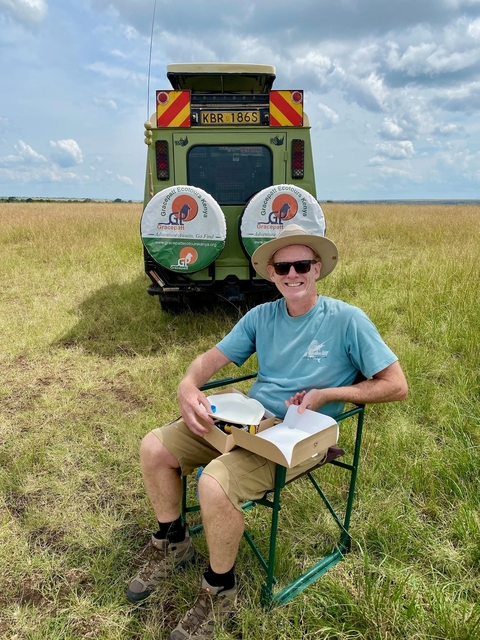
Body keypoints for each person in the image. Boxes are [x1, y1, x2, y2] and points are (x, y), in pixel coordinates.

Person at [127, 224, 408, 639]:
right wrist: (188, 385)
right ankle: (173, 541)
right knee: (154, 447)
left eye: (301, 265)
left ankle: (220, 590)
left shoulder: (348, 321)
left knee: (214, 483)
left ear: (317, 270)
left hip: (301, 437)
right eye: (282, 267)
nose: (292, 274)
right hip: (250, 421)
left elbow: (396, 385)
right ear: (271, 273)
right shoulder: (262, 315)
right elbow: (211, 360)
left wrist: (328, 392)